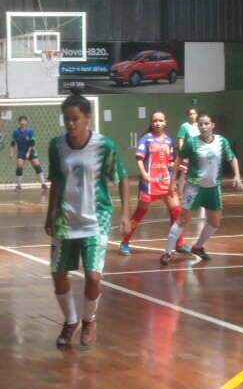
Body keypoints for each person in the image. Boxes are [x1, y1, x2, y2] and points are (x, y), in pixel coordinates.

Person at [45, 90, 130, 348]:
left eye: (75, 119)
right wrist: (49, 214)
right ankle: (71, 321)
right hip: (64, 219)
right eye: (66, 119)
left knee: (93, 276)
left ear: (87, 119)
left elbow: (122, 177)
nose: (70, 124)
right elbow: (57, 181)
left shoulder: (105, 146)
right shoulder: (56, 146)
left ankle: (89, 319)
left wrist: (126, 212)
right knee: (59, 274)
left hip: (97, 218)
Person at [161, 113, 243, 265]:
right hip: (194, 187)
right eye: (200, 124)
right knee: (183, 219)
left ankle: (198, 247)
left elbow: (232, 158)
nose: (203, 126)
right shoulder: (191, 143)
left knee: (215, 222)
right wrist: (173, 180)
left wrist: (237, 176)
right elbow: (179, 159)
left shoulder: (222, 141)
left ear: (212, 125)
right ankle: (167, 252)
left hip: (213, 188)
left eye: (206, 123)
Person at [119, 111, 189, 256]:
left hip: (166, 182)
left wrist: (179, 169)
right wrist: (144, 174)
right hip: (149, 183)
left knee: (177, 212)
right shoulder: (146, 139)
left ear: (165, 122)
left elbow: (170, 161)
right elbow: (139, 158)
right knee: (140, 213)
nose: (157, 123)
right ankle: (125, 242)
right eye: (155, 120)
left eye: (160, 120)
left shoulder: (169, 141)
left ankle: (180, 242)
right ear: (151, 122)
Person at [10, 115, 48, 191]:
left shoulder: (30, 131)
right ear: (19, 122)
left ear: (26, 122)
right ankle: (19, 186)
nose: (22, 122)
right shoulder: (16, 132)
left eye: (24, 121)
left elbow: (32, 142)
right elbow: (12, 143)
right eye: (21, 121)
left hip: (30, 150)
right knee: (19, 167)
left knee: (37, 166)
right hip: (21, 152)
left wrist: (28, 152)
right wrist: (11, 152)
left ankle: (43, 183)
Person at [176, 108, 200, 198]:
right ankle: (180, 192)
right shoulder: (184, 126)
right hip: (187, 153)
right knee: (184, 172)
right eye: (190, 114)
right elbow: (181, 140)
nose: (192, 115)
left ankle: (198, 191)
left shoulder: (199, 125)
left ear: (197, 114)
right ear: (188, 116)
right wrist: (183, 153)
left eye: (194, 113)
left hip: (198, 154)